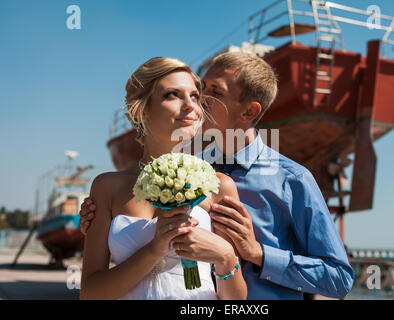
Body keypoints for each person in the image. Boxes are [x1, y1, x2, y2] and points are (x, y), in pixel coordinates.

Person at [80, 52, 354, 300]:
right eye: (201, 91)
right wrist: (103, 228)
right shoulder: (186, 173)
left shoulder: (289, 179)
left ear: (248, 111)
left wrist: (256, 253)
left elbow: (339, 279)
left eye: (211, 93)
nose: (199, 103)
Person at [80, 57, 247, 300]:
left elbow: (236, 301)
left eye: (195, 96)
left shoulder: (219, 186)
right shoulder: (107, 186)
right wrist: (154, 250)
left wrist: (226, 258)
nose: (191, 105)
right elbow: (90, 295)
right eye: (172, 95)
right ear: (141, 111)